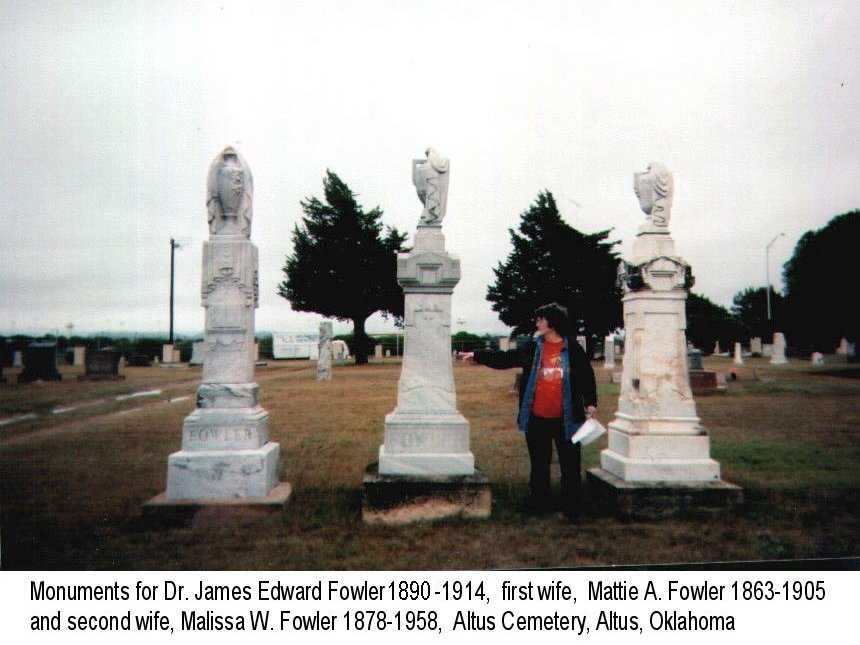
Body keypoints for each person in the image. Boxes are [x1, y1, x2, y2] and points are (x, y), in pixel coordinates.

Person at [465, 303, 597, 519]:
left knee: (570, 465)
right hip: (537, 418)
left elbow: (586, 375)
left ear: (552, 323)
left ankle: (572, 508)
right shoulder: (532, 347)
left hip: (568, 418)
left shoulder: (572, 348)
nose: (537, 323)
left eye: (541, 319)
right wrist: (479, 355)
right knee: (539, 466)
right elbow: (507, 358)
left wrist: (591, 402)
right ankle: (539, 506)